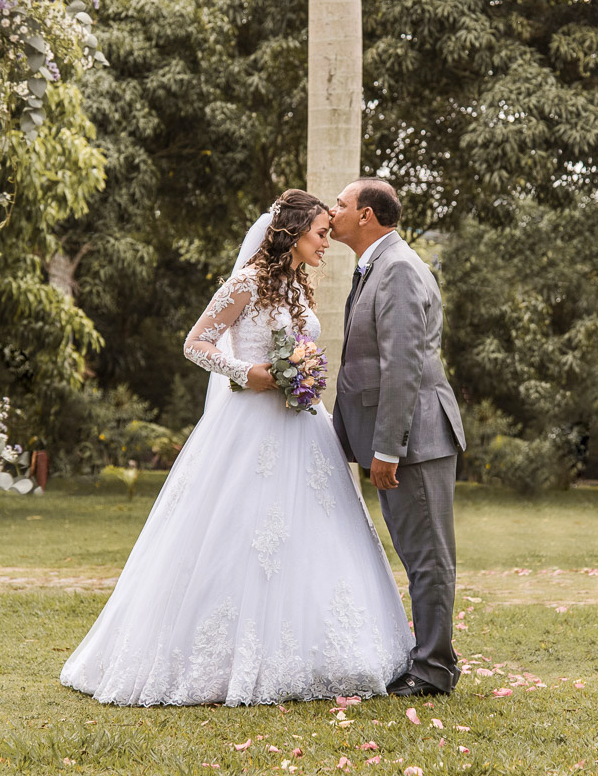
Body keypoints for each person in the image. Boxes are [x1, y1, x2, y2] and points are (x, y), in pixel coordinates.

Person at [60, 189, 413, 706]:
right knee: (240, 533)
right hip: (250, 424)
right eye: (320, 234)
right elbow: (195, 343)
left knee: (311, 534)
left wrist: (304, 375)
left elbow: (301, 345)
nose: (326, 243)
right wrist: (246, 373)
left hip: (302, 425)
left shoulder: (299, 286)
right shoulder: (247, 282)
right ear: (293, 234)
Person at [329, 178, 466, 697]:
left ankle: (433, 670)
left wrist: (387, 447)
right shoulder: (376, 267)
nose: (333, 212)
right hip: (405, 439)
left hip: (417, 440)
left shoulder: (401, 269)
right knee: (418, 553)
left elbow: (403, 365)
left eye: (341, 204)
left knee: (428, 556)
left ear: (366, 215)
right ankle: (433, 657)